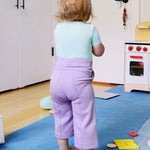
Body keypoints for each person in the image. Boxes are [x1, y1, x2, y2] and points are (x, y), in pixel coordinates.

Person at [50, 0, 105, 150]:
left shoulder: (58, 28)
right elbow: (99, 52)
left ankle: (64, 148)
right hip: (79, 84)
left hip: (57, 81)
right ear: (87, 10)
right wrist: (99, 45)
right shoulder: (90, 29)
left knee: (61, 117)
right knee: (84, 118)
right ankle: (85, 147)